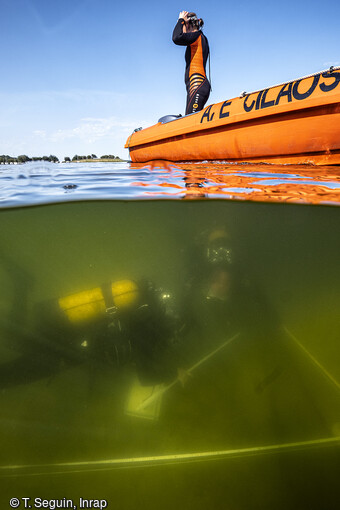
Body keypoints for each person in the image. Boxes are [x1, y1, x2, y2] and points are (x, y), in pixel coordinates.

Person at [0, 253, 181, 390]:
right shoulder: (146, 328)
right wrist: (175, 374)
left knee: (14, 342)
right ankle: (21, 283)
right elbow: (146, 377)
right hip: (64, 346)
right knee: (9, 376)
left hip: (60, 320)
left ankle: (21, 283)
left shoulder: (138, 308)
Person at [172, 11, 211, 115]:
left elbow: (177, 37)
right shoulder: (199, 38)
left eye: (184, 24)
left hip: (197, 85)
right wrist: (182, 22)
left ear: (188, 24)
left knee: (190, 121)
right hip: (198, 86)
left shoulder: (197, 36)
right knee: (191, 121)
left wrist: (181, 20)